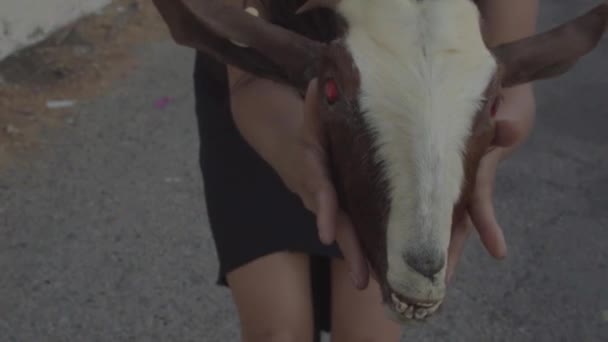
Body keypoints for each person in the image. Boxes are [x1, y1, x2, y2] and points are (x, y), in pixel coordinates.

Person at [191, 1, 538, 341]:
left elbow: (512, 86)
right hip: (263, 96)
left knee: (367, 335)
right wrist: (297, 150)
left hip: (408, 130)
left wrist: (474, 158)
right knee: (276, 332)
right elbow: (245, 68)